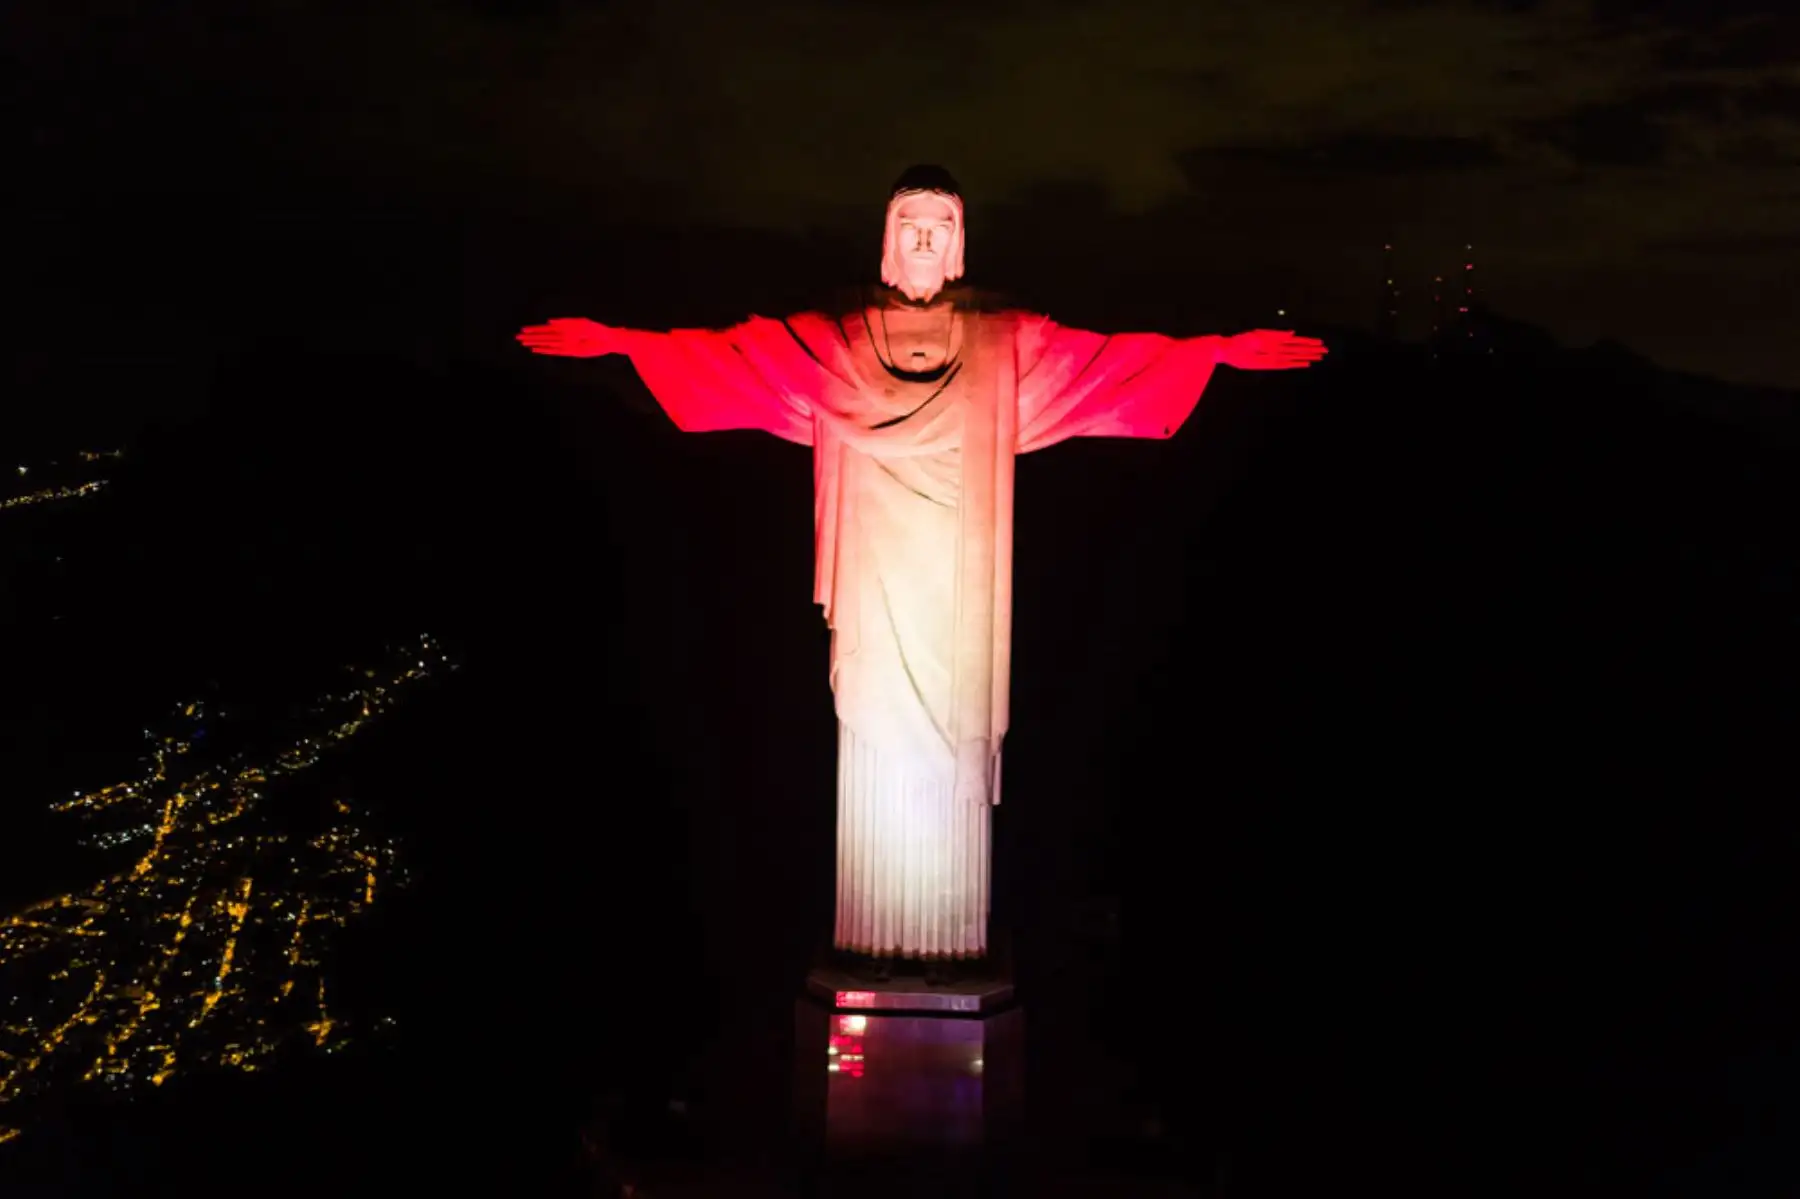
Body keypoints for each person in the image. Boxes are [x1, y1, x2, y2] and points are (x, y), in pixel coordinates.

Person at [519, 165, 1325, 985]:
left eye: (942, 226)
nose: (926, 240)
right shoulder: (834, 334)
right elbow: (735, 354)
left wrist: (1216, 354)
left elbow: (1109, 363)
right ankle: (874, 945)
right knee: (872, 732)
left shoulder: (1006, 338)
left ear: (961, 243)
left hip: (961, 588)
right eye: (912, 225)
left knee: (948, 744)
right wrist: (627, 342)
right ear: (885, 240)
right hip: (874, 574)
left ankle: (946, 949)